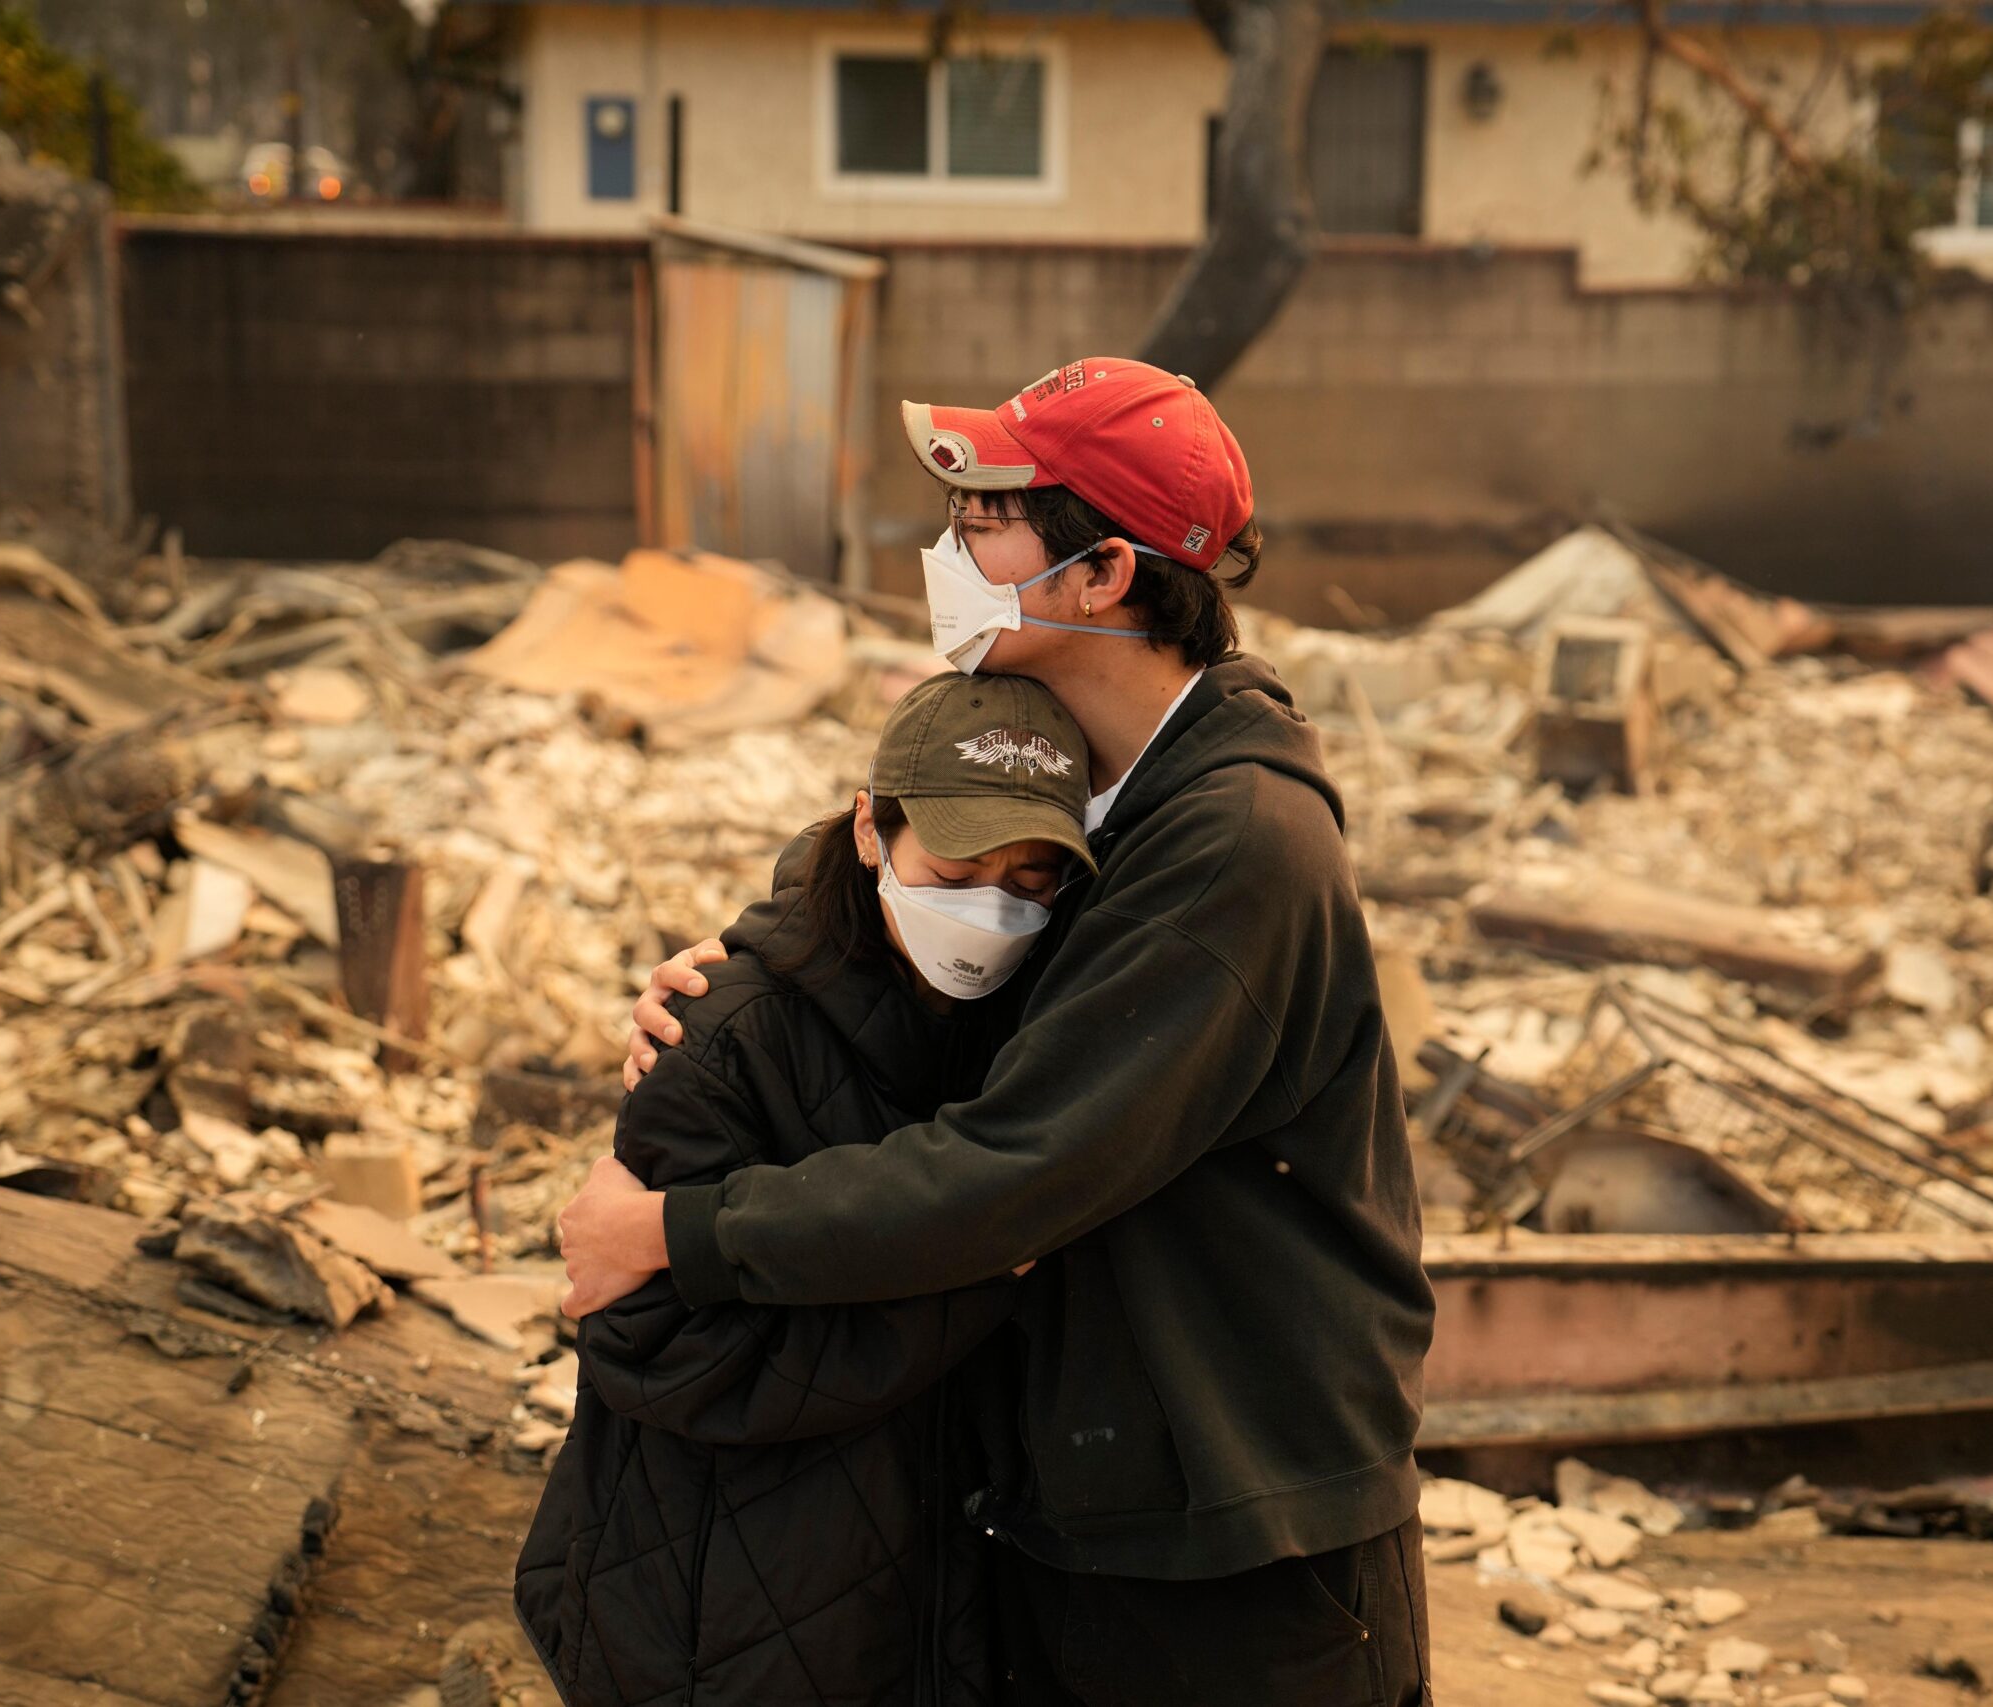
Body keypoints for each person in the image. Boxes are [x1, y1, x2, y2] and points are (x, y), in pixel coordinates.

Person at [557, 358, 1438, 1706]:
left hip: (1238, 1537)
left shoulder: (1232, 843)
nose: (948, 550)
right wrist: (755, 968)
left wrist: (679, 1233)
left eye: (985, 520)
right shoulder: (1105, 786)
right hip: (1105, 1493)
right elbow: (925, 841)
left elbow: (1016, 1166)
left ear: (1101, 576)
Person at [517, 672, 1097, 1707]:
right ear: (872, 828)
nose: (993, 906)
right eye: (958, 864)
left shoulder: (1026, 1034)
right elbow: (653, 1344)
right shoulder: (723, 1032)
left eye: (1032, 877)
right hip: (718, 1608)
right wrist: (972, 1283)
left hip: (916, 1603)